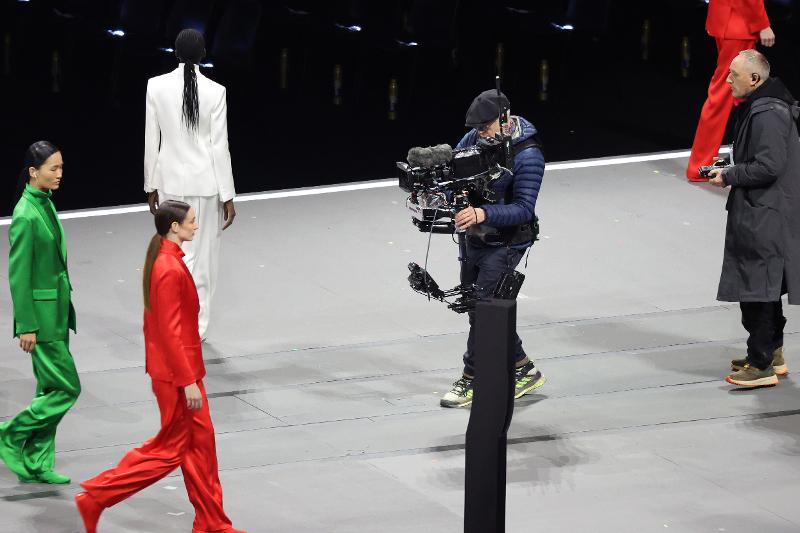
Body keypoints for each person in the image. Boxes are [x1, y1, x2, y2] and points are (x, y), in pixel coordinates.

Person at [75, 201, 246, 533]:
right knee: (170, 450)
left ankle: (212, 522)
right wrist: (188, 382)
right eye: (192, 222)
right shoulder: (167, 268)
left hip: (180, 372)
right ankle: (98, 495)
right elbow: (169, 332)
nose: (196, 226)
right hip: (177, 376)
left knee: (200, 446)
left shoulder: (167, 260)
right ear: (174, 227)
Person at [439, 89, 547, 408]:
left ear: (504, 118)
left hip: (509, 241)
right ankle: (524, 369)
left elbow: (524, 208)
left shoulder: (528, 154)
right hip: (473, 237)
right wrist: (444, 196)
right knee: (479, 310)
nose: (481, 133)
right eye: (478, 128)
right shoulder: (472, 139)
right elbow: (454, 177)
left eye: (486, 127)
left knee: (484, 307)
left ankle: (471, 379)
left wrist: (482, 213)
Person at [708, 49, 800, 387]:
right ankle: (772, 355)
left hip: (765, 214)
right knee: (767, 286)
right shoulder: (767, 105)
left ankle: (760, 364)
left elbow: (769, 165)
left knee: (757, 290)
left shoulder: (768, 113)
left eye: (734, 74)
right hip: (767, 210)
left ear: (754, 79)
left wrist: (729, 175)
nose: (727, 79)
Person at [144, 28, 236, 340]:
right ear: (203, 54)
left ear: (175, 52)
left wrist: (150, 185)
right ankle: (196, 329)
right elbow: (218, 146)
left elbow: (151, 140)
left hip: (170, 180)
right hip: (206, 183)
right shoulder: (216, 91)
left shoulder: (155, 86)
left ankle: (170, 320)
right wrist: (228, 195)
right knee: (204, 256)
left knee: (172, 252)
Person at [0, 141, 80, 485]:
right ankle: (10, 434)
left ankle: (36, 460)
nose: (59, 174)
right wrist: (27, 326)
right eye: (53, 169)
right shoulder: (25, 214)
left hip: (57, 313)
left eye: (61, 168)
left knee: (49, 390)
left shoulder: (44, 204)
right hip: (41, 321)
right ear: (33, 172)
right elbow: (18, 276)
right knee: (67, 388)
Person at [686, 0, 775, 181]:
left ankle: (747, 155)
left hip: (727, 21)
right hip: (738, 23)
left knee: (741, 94)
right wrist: (763, 24)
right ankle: (699, 166)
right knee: (724, 93)